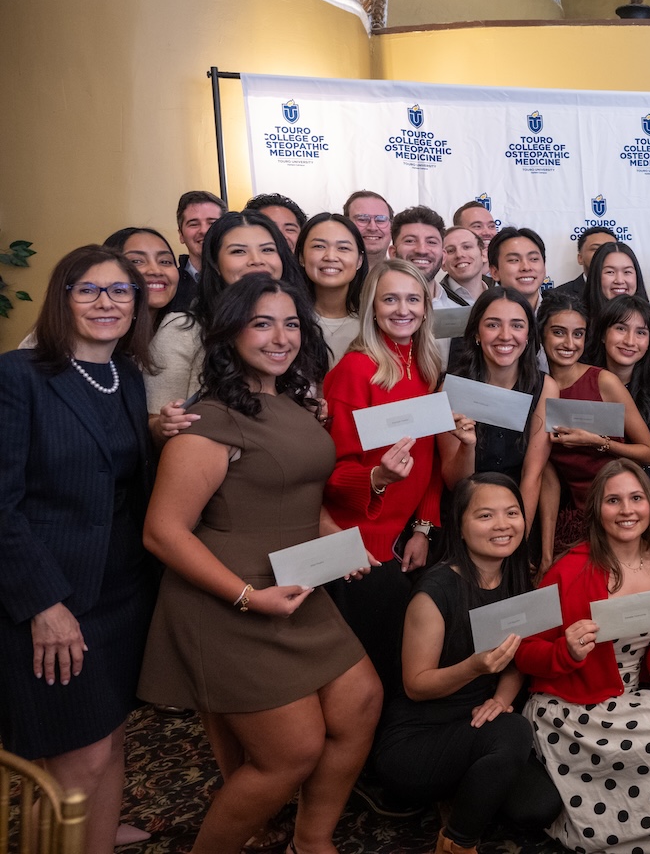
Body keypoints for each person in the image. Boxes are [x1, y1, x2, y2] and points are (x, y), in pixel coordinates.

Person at [138, 274, 381, 854]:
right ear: (230, 332)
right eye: (262, 323)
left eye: (291, 323)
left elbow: (296, 494)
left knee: (363, 701)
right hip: (231, 599)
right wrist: (249, 597)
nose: (280, 337)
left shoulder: (291, 400)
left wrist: (340, 544)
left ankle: (310, 841)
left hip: (296, 584)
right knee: (290, 753)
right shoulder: (210, 420)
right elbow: (162, 533)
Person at [0, 246, 156, 854]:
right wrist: (44, 604)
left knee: (113, 744)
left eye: (120, 291)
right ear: (61, 298)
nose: (105, 303)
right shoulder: (18, 377)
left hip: (121, 592)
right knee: (77, 762)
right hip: (53, 603)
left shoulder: (127, 376)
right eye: (88, 290)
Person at [516, 460, 650, 853]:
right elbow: (525, 652)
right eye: (614, 501)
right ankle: (617, 838)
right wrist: (565, 652)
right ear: (598, 510)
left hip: (634, 695)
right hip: (572, 704)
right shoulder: (569, 569)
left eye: (636, 498)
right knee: (643, 743)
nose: (627, 510)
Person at [370, 473, 563, 854]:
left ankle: (461, 788)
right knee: (514, 732)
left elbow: (515, 657)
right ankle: (457, 842)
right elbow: (416, 685)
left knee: (537, 808)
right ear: (459, 526)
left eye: (512, 513)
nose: (503, 525)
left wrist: (503, 697)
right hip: (416, 737)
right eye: (486, 516)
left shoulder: (515, 578)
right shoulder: (436, 590)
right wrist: (475, 667)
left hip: (477, 727)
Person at [323, 258, 450, 568]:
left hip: (406, 536)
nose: (402, 310)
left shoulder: (427, 368)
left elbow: (429, 459)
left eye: (413, 299)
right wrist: (378, 478)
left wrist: (423, 527)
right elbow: (330, 473)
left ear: (425, 308)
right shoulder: (355, 370)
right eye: (390, 299)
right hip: (360, 545)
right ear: (373, 308)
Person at [147, 210, 297, 438]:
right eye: (238, 251)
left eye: (267, 249)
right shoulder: (184, 328)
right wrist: (163, 424)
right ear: (215, 264)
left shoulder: (297, 326)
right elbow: (153, 420)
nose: (257, 260)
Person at [535, 292, 650, 564]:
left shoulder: (603, 381)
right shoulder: (537, 389)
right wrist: (546, 553)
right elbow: (548, 477)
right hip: (578, 518)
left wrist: (597, 441)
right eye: (558, 333)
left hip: (625, 511)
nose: (569, 343)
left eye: (578, 334)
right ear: (541, 334)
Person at [438, 286, 557, 527]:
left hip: (517, 513)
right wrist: (467, 446)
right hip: (464, 516)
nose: (505, 335)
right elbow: (454, 482)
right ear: (476, 333)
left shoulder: (545, 387)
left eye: (517, 325)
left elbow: (532, 476)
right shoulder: (450, 388)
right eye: (493, 325)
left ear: (528, 335)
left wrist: (518, 538)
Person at [583, 294, 650, 545]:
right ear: (602, 334)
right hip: (603, 506)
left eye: (641, 332)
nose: (630, 341)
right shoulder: (584, 378)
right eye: (620, 328)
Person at [581, 241, 650, 365]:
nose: (619, 280)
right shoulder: (580, 321)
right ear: (596, 277)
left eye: (627, 272)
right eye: (610, 272)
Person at [296, 212, 367, 364]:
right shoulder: (288, 320)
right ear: (302, 256)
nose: (330, 256)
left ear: (359, 260)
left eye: (343, 248)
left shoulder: (373, 321)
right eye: (319, 246)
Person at [103, 226, 179, 327]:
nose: (156, 271)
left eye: (165, 261)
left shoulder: (190, 331)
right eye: (136, 261)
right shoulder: (99, 335)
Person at [166, 190, 225, 314]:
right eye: (194, 224)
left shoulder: (242, 279)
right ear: (181, 235)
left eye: (212, 223)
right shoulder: (169, 285)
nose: (204, 230)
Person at [391, 206, 449, 299]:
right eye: (410, 241)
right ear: (393, 253)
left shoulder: (461, 308)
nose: (422, 250)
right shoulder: (369, 307)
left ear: (443, 256)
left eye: (431, 242)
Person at [488, 227, 548, 313]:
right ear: (495, 272)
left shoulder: (560, 314)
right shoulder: (484, 315)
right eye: (514, 260)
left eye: (534, 259)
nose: (526, 267)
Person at [551, 227, 618, 299]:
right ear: (580, 258)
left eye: (611, 249)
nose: (603, 253)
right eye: (595, 249)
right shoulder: (559, 296)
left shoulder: (628, 291)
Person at [440, 226, 490, 306]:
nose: (459, 255)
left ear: (484, 255)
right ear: (442, 263)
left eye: (466, 247)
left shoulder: (503, 292)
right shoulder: (433, 300)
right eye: (450, 250)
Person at [344, 190, 395, 261]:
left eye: (380, 219)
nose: (372, 228)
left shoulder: (405, 271)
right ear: (345, 225)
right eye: (362, 219)